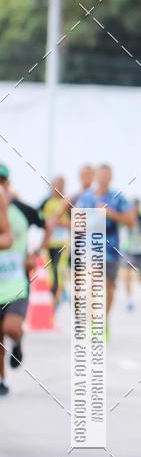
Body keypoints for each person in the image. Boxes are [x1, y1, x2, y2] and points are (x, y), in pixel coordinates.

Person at [0, 165, 49, 395]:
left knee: (9, 328)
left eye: (2, 180)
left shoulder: (21, 209)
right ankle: (3, 380)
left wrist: (36, 252)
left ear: (8, 183)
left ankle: (18, 341)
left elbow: (46, 224)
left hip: (15, 281)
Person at [77, 164, 135, 335]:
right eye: (100, 175)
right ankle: (91, 323)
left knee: (109, 288)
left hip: (111, 251)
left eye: (106, 175)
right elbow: (77, 222)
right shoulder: (86, 197)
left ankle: (103, 321)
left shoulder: (117, 197)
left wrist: (111, 214)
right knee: (91, 286)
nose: (103, 178)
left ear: (110, 177)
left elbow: (131, 220)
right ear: (96, 177)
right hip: (90, 249)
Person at [40, 176, 71, 309]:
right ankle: (55, 295)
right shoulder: (46, 202)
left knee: (60, 268)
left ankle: (58, 296)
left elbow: (76, 223)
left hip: (62, 243)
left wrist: (59, 223)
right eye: (55, 185)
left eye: (60, 185)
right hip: (49, 243)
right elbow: (40, 220)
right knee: (50, 271)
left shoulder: (67, 203)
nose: (57, 188)